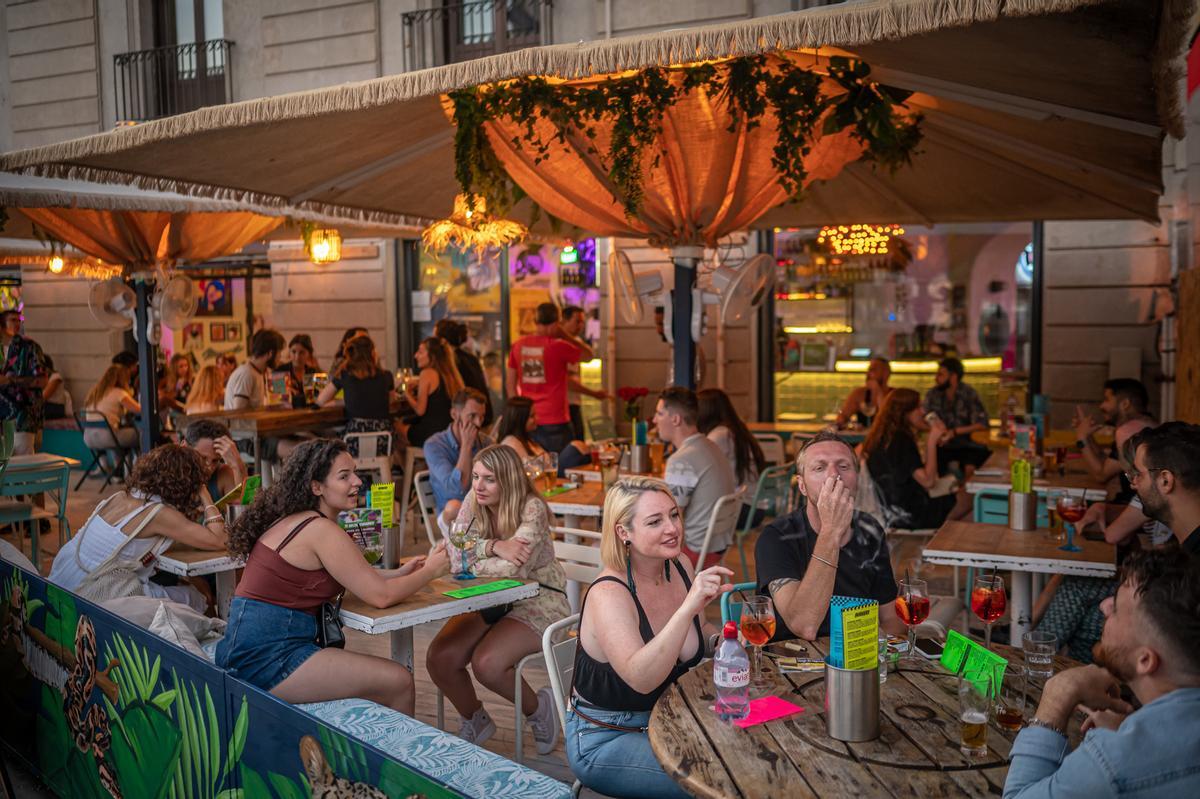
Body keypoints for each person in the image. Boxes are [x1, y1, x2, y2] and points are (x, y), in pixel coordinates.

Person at [216, 438, 449, 714]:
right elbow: (381, 597)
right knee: (398, 681)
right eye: (344, 476)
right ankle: (389, 758)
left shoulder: (298, 520)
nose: (357, 482)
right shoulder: (322, 531)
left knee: (381, 681)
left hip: (245, 650)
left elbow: (349, 574)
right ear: (317, 487)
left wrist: (396, 572)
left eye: (354, 473)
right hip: (265, 659)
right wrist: (433, 570)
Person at [566, 476, 733, 799]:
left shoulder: (679, 565)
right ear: (623, 532)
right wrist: (687, 608)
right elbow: (641, 679)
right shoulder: (608, 593)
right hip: (607, 735)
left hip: (670, 716)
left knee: (751, 752)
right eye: (655, 521)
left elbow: (699, 632)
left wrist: (724, 642)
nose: (672, 528)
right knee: (715, 781)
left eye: (674, 514)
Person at [1002, 550, 1200, 799]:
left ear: (1145, 660)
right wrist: (1126, 728)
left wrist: (1057, 697)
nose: (1104, 605)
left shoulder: (1114, 763)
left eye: (1116, 607)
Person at [426, 445, 570, 750]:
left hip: (538, 598)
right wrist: (493, 545)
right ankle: (474, 718)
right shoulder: (474, 499)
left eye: (489, 479)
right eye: (476, 477)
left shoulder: (532, 508)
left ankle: (537, 709)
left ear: (508, 480)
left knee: (487, 664)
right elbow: (453, 550)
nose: (478, 485)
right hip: (486, 598)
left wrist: (472, 552)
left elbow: (512, 571)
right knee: (440, 659)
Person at [756, 430, 905, 641]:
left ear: (857, 479)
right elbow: (804, 626)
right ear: (802, 485)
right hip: (792, 665)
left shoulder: (869, 530)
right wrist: (831, 531)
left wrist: (876, 648)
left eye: (844, 466)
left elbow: (891, 618)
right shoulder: (776, 537)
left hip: (856, 660)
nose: (834, 475)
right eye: (819, 467)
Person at [49, 444, 228, 612]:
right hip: (98, 591)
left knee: (183, 583)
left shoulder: (120, 497)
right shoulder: (159, 514)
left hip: (65, 576)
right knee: (200, 596)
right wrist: (205, 495)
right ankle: (205, 643)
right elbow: (220, 540)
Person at [652, 387, 738, 569]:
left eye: (659, 414)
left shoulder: (681, 459)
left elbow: (670, 517)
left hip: (693, 551)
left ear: (675, 419)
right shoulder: (711, 445)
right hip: (717, 544)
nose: (654, 420)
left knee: (620, 545)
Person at [861, 388, 972, 528]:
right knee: (971, 496)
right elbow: (928, 481)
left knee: (955, 493)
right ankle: (941, 540)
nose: (923, 412)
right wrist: (932, 440)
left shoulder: (882, 437)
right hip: (911, 514)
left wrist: (932, 439)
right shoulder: (901, 439)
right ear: (905, 412)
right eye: (918, 407)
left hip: (892, 510)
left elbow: (918, 474)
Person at [507, 302, 592, 456]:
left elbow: (510, 387)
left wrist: (519, 419)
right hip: (556, 419)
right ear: (556, 324)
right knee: (560, 469)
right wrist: (565, 335)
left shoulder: (518, 346)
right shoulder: (558, 346)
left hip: (528, 420)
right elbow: (588, 356)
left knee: (533, 470)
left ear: (536, 321)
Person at [1073, 378, 1154, 502]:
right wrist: (1087, 436)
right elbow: (1105, 463)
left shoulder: (1128, 431)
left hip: (1136, 509)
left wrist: (1081, 438)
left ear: (1125, 404)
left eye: (1107, 400)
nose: (1102, 405)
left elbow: (1101, 475)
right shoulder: (1143, 425)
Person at [317, 334, 396, 458]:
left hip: (354, 443)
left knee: (328, 439)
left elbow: (321, 401)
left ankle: (349, 476)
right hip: (384, 441)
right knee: (383, 468)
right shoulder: (386, 375)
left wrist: (347, 400)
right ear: (372, 353)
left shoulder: (345, 374)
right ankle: (382, 477)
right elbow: (391, 400)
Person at [422, 388, 492, 528]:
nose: (478, 423)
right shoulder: (434, 445)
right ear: (454, 414)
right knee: (455, 506)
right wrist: (466, 446)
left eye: (482, 417)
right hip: (452, 516)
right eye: (472, 416)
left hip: (483, 509)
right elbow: (456, 490)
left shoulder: (484, 442)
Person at [1127, 421, 1200, 554]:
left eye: (1139, 474)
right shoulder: (1186, 548)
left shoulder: (1194, 566)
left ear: (1165, 481)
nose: (1133, 483)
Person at [696, 388, 766, 527]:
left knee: (691, 513)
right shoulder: (735, 429)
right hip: (753, 507)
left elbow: (699, 471)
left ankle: (702, 548)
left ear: (705, 412)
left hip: (744, 510)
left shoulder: (719, 435)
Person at [923, 356, 991, 478]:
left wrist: (954, 432)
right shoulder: (933, 394)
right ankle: (938, 496)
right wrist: (938, 433)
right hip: (942, 445)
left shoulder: (968, 393)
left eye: (941, 375)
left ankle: (966, 494)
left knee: (971, 465)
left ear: (953, 377)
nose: (936, 378)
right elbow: (925, 417)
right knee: (930, 463)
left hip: (968, 444)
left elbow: (982, 423)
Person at [495, 396, 591, 475]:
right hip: (544, 480)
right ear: (519, 419)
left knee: (579, 449)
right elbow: (527, 472)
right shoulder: (511, 443)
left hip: (550, 476)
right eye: (532, 416)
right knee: (575, 448)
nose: (537, 418)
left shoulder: (527, 440)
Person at [0, 308, 49, 454]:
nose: (17, 324)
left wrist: (10, 380)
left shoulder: (29, 347)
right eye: (12, 320)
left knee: (24, 457)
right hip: (3, 415)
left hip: (23, 413)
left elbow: (42, 381)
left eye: (19, 320)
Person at [402, 336, 462, 448]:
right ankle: (421, 461)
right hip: (450, 433)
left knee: (397, 427)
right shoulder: (451, 375)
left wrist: (406, 393)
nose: (416, 356)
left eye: (420, 352)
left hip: (432, 434)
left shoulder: (427, 373)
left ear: (432, 356)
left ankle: (409, 464)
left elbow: (420, 411)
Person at [435, 318, 493, 427]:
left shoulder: (451, 363)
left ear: (443, 341)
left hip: (471, 421)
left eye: (435, 338)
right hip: (484, 416)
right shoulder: (470, 358)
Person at [561, 305, 608, 440]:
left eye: (582, 322)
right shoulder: (559, 344)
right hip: (565, 404)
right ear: (564, 320)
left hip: (574, 402)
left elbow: (588, 356)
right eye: (577, 321)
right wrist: (593, 393)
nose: (581, 326)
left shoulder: (576, 342)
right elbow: (567, 381)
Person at [183, 419, 249, 501]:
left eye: (215, 461)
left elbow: (248, 508)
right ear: (184, 446)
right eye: (202, 457)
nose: (209, 467)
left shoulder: (224, 474)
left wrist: (238, 466)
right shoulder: (169, 472)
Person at [82, 363, 141, 450]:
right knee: (144, 434)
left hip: (88, 437)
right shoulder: (119, 393)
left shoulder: (95, 393)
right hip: (107, 437)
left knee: (116, 435)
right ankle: (138, 462)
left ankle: (106, 463)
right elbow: (140, 410)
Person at [225, 329, 285, 410]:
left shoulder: (257, 372)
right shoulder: (247, 374)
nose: (280, 357)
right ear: (270, 353)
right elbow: (238, 412)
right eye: (279, 353)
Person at [836, 356, 892, 429]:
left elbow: (890, 420)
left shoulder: (893, 394)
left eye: (873, 370)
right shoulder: (859, 394)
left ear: (886, 373)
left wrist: (879, 394)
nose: (868, 373)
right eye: (868, 370)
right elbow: (841, 418)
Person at [283, 334, 320, 409]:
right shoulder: (281, 371)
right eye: (293, 352)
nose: (297, 357)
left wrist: (294, 398)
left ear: (309, 354)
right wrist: (306, 397)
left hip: (310, 416)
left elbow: (319, 399)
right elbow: (282, 402)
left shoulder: (314, 372)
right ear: (289, 352)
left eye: (302, 353)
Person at [42, 355, 71, 421]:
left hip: (55, 408)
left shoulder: (56, 377)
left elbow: (44, 396)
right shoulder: (40, 377)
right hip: (46, 406)